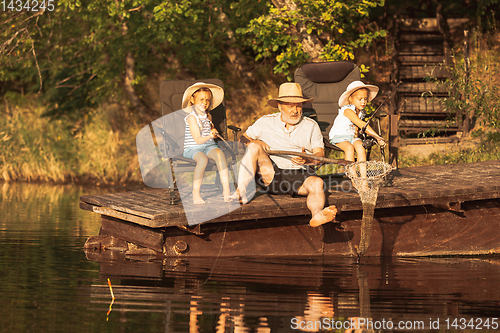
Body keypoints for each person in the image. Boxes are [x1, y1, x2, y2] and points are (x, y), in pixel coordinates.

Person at [231, 82, 337, 227]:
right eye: (290, 105)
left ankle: (317, 214)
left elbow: (320, 155)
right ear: (280, 106)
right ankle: (241, 192)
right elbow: (241, 141)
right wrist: (256, 141)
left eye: (298, 105)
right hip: (271, 174)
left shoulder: (311, 125)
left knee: (318, 183)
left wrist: (307, 160)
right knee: (254, 147)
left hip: (299, 175)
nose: (295, 110)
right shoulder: (265, 122)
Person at [182, 82, 231, 204]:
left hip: (209, 145)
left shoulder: (208, 116)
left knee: (220, 155)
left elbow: (209, 131)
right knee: (203, 159)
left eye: (207, 100)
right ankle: (196, 193)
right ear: (192, 100)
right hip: (193, 148)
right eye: (201, 99)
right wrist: (209, 135)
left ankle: (227, 190)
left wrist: (213, 131)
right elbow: (198, 139)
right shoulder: (191, 118)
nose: (204, 103)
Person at [329, 81, 386, 163]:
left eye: (365, 99)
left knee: (361, 147)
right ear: (350, 98)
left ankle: (363, 175)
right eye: (360, 99)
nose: (363, 102)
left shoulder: (361, 112)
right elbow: (362, 125)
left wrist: (377, 138)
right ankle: (352, 174)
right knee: (349, 148)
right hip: (339, 137)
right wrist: (378, 137)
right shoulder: (348, 110)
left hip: (352, 137)